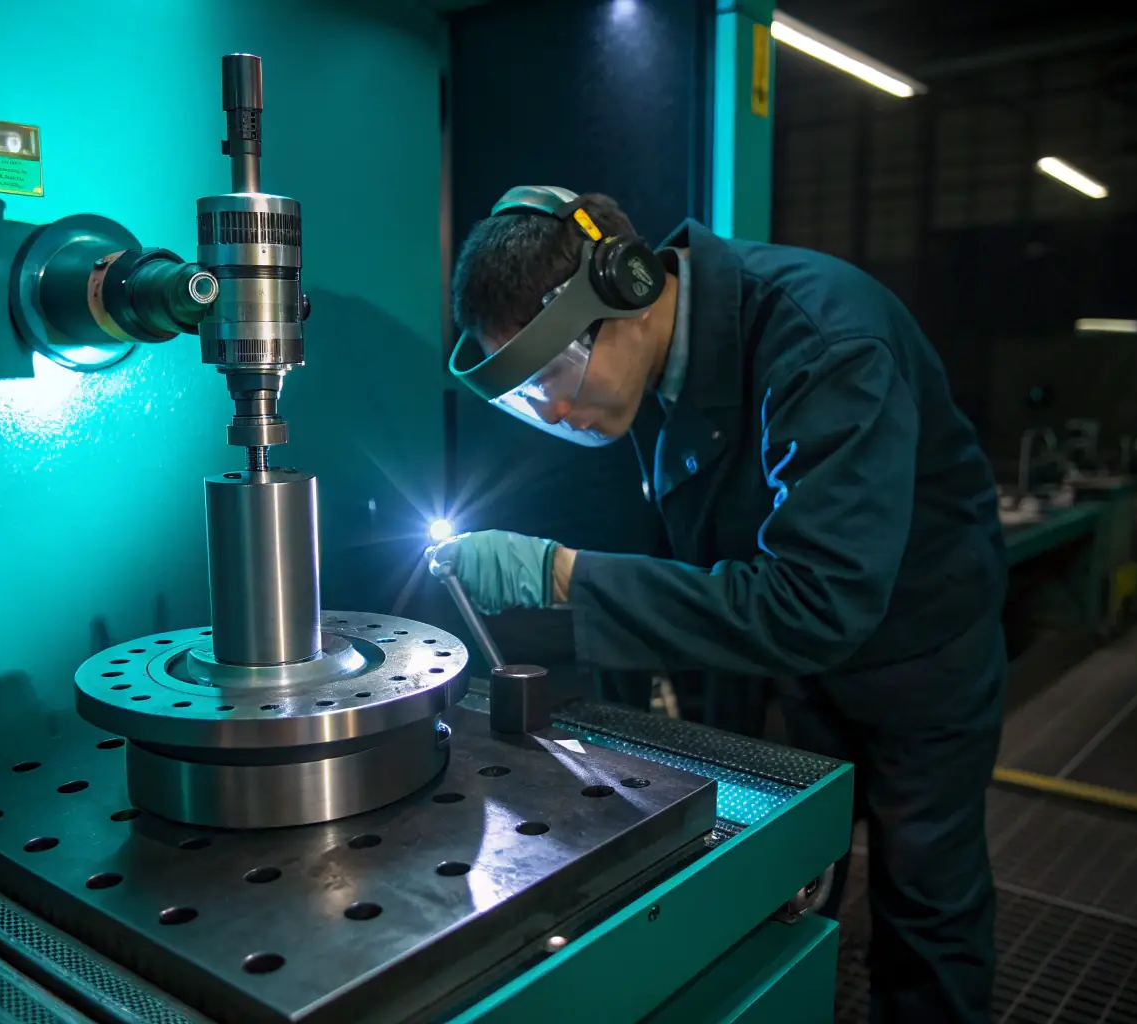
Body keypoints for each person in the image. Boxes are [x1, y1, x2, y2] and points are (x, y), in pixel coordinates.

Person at [431, 185, 1006, 1023]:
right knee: (797, 869)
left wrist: (559, 575)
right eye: (527, 397)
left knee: (925, 894)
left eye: (552, 373)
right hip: (795, 656)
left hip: (917, 658)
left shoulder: (822, 340)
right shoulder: (665, 361)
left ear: (625, 289)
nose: (551, 408)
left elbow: (816, 603)